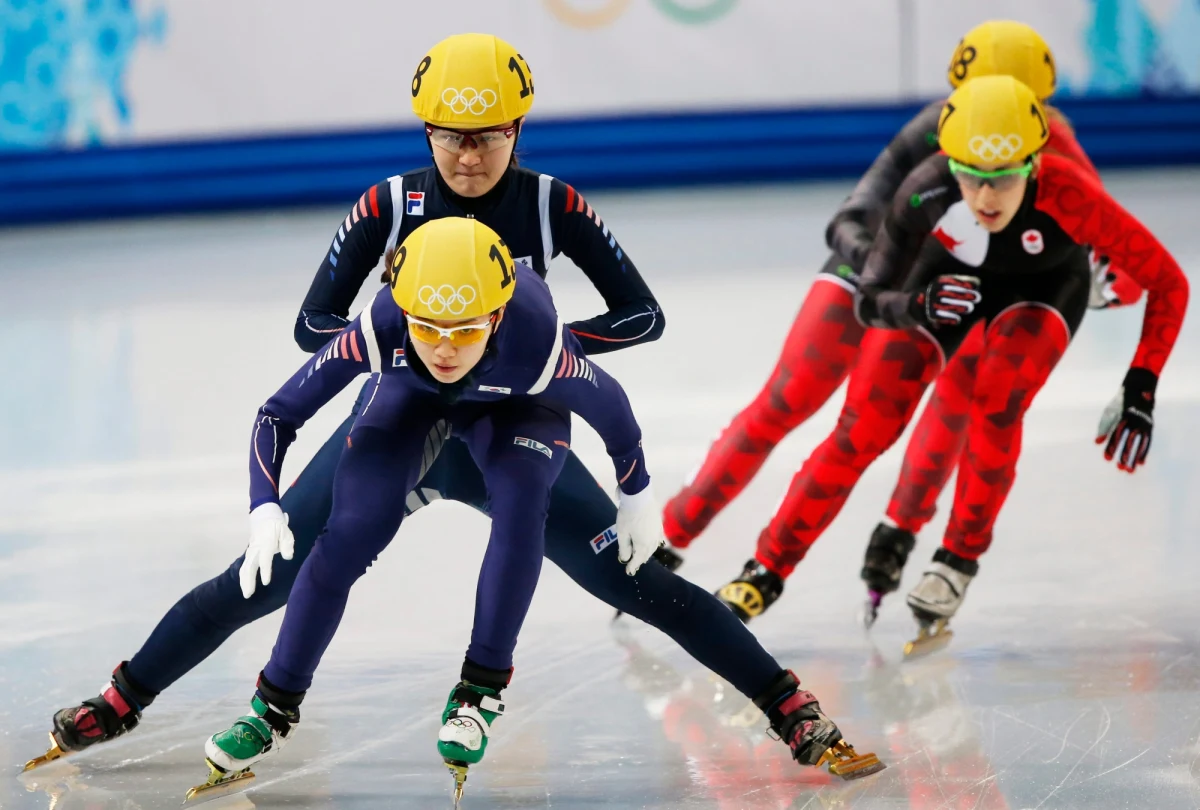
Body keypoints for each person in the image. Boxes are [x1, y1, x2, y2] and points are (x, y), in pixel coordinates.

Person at [26, 33, 881, 793]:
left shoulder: (549, 205)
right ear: (426, 131)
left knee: (634, 583)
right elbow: (314, 327)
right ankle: (123, 697)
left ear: (518, 129)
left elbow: (641, 317)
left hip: (512, 416)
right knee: (265, 575)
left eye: (487, 137)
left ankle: (789, 707)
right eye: (449, 136)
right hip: (399, 410)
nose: (468, 157)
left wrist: (534, 353)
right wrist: (405, 343)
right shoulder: (389, 204)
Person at [188, 218, 882, 800]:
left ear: (496, 315)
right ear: (404, 311)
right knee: (346, 534)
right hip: (404, 407)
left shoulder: (537, 340)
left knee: (557, 531)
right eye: (429, 328)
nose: (446, 347)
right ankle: (272, 706)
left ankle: (488, 691)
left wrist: (637, 495)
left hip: (518, 409)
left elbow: (615, 416)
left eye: (466, 330)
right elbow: (277, 414)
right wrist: (262, 507)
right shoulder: (382, 324)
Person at [657, 20, 1142, 623]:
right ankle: (674, 531)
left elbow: (1111, 252)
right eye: (974, 114)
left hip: (953, 289)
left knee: (952, 396)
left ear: (1039, 116)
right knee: (791, 397)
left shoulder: (1058, 153)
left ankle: (897, 533)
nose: (991, 135)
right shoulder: (933, 130)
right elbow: (849, 219)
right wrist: (891, 273)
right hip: (884, 270)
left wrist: (1105, 277)